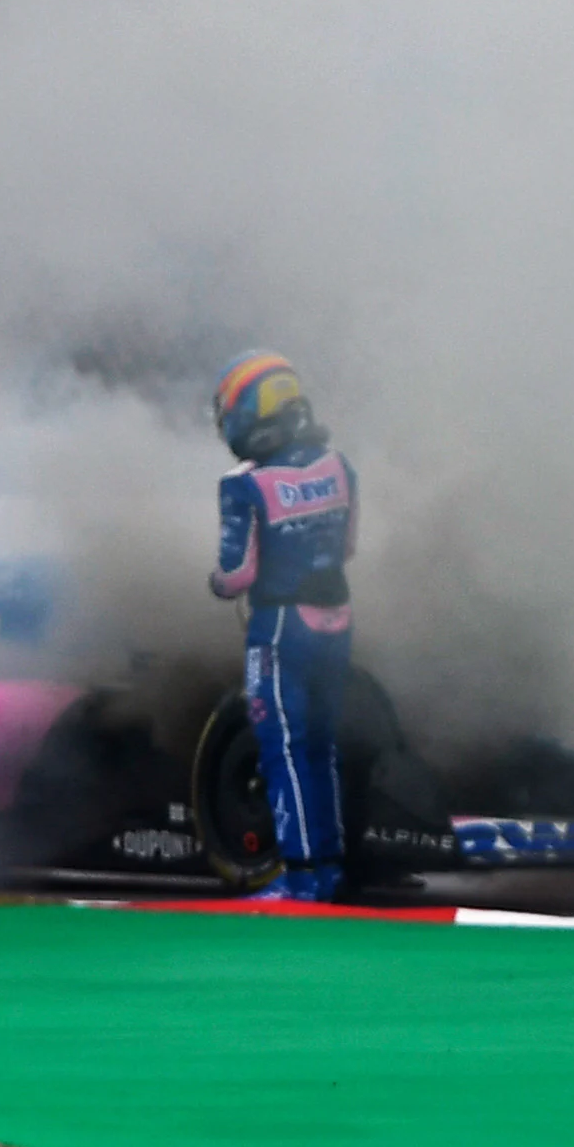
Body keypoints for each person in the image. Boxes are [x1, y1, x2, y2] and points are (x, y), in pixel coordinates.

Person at [208, 350, 360, 903]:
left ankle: (298, 878)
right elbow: (348, 547)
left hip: (279, 628)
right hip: (337, 622)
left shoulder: (244, 486)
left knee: (281, 749)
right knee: (321, 745)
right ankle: (330, 868)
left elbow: (235, 575)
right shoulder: (340, 465)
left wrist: (216, 583)